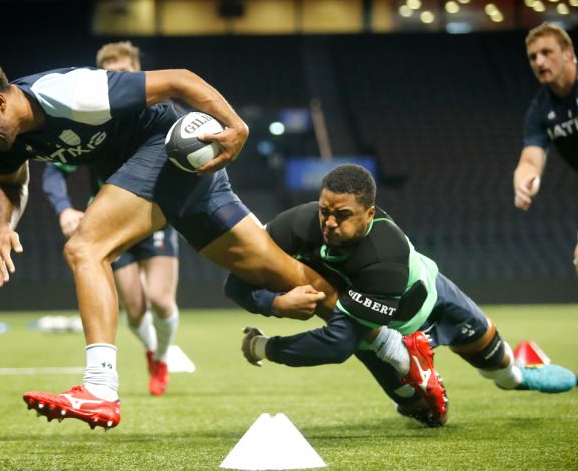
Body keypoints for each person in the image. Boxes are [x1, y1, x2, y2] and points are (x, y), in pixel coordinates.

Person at [0, 53, 376, 430]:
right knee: (283, 274)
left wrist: (235, 126)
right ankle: (397, 346)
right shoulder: (6, 135)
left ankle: (100, 388)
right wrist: (3, 225)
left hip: (168, 150)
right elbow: (9, 182)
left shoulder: (69, 93)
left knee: (85, 248)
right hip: (180, 180)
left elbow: (178, 80)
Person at [232, 164, 577, 427]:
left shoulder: (384, 255)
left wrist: (264, 347)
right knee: (428, 418)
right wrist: (274, 303)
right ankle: (414, 385)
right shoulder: (298, 224)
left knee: (496, 365)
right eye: (324, 211)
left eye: (343, 215)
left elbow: (338, 342)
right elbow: (234, 284)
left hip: (433, 303)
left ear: (368, 214)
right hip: (375, 333)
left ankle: (517, 377)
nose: (330, 223)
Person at [42, 41, 181, 397]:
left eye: (125, 74)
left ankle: (162, 357)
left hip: (154, 217)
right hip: (113, 223)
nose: (120, 81)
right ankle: (151, 349)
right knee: (135, 309)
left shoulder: (159, 114)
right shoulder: (93, 120)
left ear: (139, 74)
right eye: (112, 75)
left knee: (161, 300)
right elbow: (55, 169)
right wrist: (65, 208)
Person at [513, 22, 578, 274]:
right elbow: (530, 160)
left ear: (569, 53)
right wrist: (525, 181)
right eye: (533, 57)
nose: (539, 61)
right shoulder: (540, 110)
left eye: (546, 52)